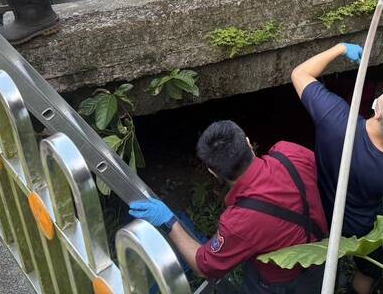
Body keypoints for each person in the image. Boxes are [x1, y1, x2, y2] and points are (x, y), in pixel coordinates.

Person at [291, 44, 383, 294]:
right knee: (371, 268)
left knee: (322, 256)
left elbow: (299, 74)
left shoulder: (335, 118)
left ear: (380, 113)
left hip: (319, 210)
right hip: (363, 230)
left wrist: (339, 49)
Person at [129, 120, 328, 293]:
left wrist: (169, 221)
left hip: (280, 283)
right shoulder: (290, 153)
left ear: (213, 172)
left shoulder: (239, 223)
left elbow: (203, 265)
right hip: (323, 255)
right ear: (248, 143)